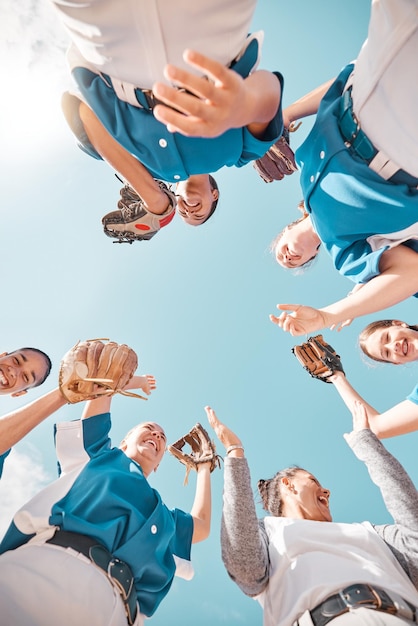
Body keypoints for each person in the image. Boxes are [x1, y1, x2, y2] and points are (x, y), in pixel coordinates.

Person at [51, 0, 283, 241]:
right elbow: (269, 89)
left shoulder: (137, 165)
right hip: (209, 39)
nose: (189, 212)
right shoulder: (240, 154)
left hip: (112, 45)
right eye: (200, 215)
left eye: (184, 216)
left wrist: (154, 200)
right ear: (214, 195)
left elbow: (82, 112)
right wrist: (246, 103)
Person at [0, 382, 214, 626]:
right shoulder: (98, 457)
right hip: (43, 572)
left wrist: (204, 467)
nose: (157, 435)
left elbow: (202, 526)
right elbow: (100, 394)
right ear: (124, 442)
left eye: (162, 437)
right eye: (149, 428)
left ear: (158, 465)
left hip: (117, 611)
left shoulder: (164, 516)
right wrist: (116, 381)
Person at [268, 0, 418, 337]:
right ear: (313, 255)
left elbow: (339, 84)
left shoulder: (303, 173)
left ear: (288, 228)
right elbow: (411, 273)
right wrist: (327, 316)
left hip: (371, 67)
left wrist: (286, 116)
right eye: (295, 262)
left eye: (281, 252)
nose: (288, 257)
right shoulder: (348, 256)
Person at [207, 403, 418, 626]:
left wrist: (367, 443)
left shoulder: (371, 532)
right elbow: (244, 564)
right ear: (288, 485)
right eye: (313, 481)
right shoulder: (269, 533)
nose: (326, 490)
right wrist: (235, 453)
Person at [0, 346, 52, 477]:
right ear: (2, 355)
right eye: (16, 361)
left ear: (19, 393)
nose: (13, 371)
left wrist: (63, 395)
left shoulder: (5, 440)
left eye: (25, 377)